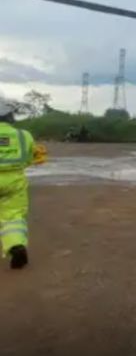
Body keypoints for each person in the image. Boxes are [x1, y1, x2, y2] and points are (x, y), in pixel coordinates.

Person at [0, 98, 46, 269]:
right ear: (10, 117)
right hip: (14, 181)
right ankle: (16, 246)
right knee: (12, 217)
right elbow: (32, 158)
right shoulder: (23, 136)